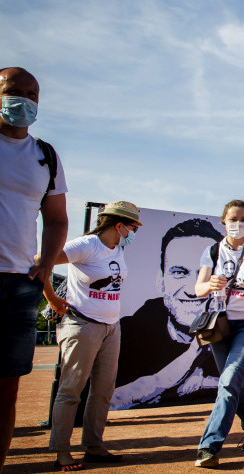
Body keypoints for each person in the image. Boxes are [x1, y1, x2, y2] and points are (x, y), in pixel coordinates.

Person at [0, 67, 69, 472]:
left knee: (8, 390)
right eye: (13, 91)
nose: (23, 100)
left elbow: (57, 219)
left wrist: (45, 266)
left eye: (32, 94)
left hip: (18, 284)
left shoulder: (46, 156)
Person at [44, 201, 142, 471]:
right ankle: (62, 451)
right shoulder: (85, 245)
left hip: (112, 327)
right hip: (81, 325)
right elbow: (41, 261)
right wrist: (52, 298)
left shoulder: (118, 248)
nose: (135, 233)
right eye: (133, 227)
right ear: (119, 225)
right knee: (71, 391)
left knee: (102, 391)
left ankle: (94, 446)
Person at [114, 218, 224, 407]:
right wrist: (170, 376)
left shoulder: (239, 326)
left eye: (206, 273)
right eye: (180, 272)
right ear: (161, 281)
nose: (193, 289)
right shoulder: (127, 335)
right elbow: (109, 399)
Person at [193, 200, 244, 468]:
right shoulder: (211, 251)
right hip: (220, 324)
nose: (238, 224)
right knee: (232, 382)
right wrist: (209, 284)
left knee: (230, 378)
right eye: (233, 219)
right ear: (223, 221)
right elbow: (198, 288)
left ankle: (209, 446)